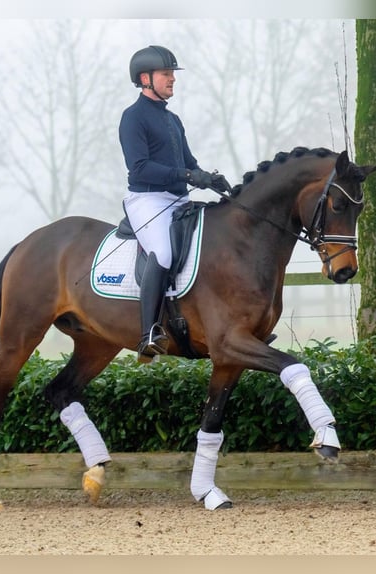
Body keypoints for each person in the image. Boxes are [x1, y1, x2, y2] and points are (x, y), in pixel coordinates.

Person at [119, 45, 231, 361]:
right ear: (145, 78)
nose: (172, 80)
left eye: (172, 74)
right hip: (148, 200)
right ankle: (149, 333)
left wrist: (208, 177)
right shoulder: (133, 117)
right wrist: (185, 174)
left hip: (178, 199)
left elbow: (189, 162)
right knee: (164, 252)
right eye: (166, 74)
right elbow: (139, 167)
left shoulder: (173, 120)